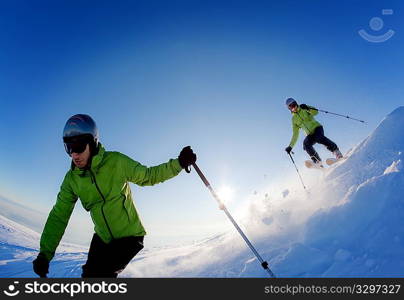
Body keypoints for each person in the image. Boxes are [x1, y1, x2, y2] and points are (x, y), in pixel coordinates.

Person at [32, 114, 196, 278]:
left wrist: (179, 163)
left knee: (100, 276)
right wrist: (44, 254)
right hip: (102, 237)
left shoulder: (116, 162)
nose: (74, 154)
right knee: (88, 274)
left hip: (129, 238)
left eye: (79, 147)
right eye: (69, 148)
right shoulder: (72, 180)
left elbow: (148, 175)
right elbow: (59, 215)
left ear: (93, 142)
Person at [284, 98, 342, 166]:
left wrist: (308, 108)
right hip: (309, 134)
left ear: (296, 103)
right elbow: (295, 134)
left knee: (319, 138)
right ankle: (318, 162)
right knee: (306, 144)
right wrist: (290, 146)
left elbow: (316, 112)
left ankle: (336, 152)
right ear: (289, 109)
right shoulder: (294, 119)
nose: (293, 107)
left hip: (317, 128)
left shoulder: (303, 108)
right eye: (291, 107)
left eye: (294, 105)